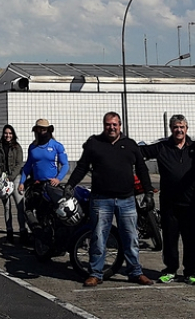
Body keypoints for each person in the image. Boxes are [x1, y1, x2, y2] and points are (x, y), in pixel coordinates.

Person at [66, 112, 155, 286]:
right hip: (101, 200)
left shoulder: (130, 145)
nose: (111, 127)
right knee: (99, 238)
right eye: (108, 124)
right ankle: (95, 273)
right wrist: (70, 185)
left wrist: (148, 192)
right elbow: (82, 167)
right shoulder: (94, 144)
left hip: (127, 200)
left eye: (115, 124)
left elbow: (142, 169)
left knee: (131, 238)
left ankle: (135, 272)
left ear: (120, 125)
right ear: (104, 125)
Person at [140, 115, 195, 285]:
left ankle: (191, 272)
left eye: (182, 127)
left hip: (191, 203)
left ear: (187, 128)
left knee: (191, 239)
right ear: (171, 128)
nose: (179, 130)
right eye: (176, 127)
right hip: (169, 203)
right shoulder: (163, 147)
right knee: (170, 238)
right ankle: (170, 270)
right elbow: (140, 152)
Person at [18, 119, 69, 245]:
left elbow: (66, 165)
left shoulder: (56, 145)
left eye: (44, 129)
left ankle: (54, 237)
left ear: (48, 130)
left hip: (51, 185)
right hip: (36, 185)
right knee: (30, 210)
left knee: (52, 213)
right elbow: (28, 166)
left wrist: (58, 179)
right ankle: (38, 234)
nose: (41, 131)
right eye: (39, 129)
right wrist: (22, 182)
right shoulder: (33, 147)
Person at [0, 124, 29, 244]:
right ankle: (9, 233)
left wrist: (11, 177)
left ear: (13, 134)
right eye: (6, 133)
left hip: (15, 178)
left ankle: (23, 231)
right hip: (2, 180)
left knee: (20, 206)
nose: (8, 135)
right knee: (7, 207)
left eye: (10, 133)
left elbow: (19, 164)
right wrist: (1, 174)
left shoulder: (17, 147)